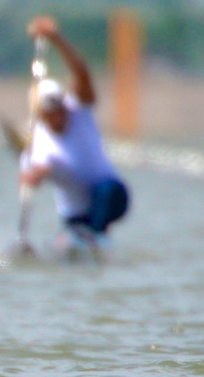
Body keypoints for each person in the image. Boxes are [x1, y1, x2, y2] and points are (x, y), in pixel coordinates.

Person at [19, 15, 130, 257]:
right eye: (50, 112)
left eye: (59, 107)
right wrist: (31, 177)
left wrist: (56, 38)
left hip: (110, 198)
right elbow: (34, 173)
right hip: (74, 215)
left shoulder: (78, 110)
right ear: (39, 114)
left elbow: (81, 73)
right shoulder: (36, 140)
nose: (59, 115)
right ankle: (87, 240)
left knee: (107, 191)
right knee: (70, 246)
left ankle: (95, 237)